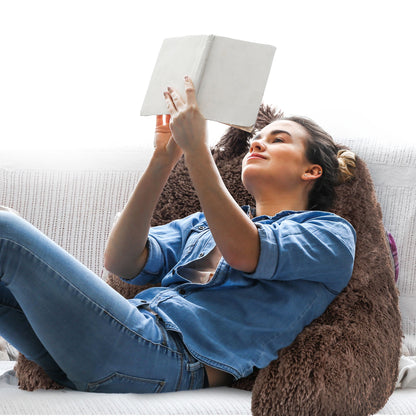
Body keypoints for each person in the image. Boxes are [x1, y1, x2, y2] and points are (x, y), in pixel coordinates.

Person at [0, 77, 356, 393]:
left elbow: (246, 252)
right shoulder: (205, 224)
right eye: (255, 140)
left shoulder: (330, 233)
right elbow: (122, 261)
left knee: (5, 230)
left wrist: (198, 151)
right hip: (123, 336)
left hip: (168, 356)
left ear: (312, 170)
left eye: (278, 140)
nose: (257, 145)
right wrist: (162, 160)